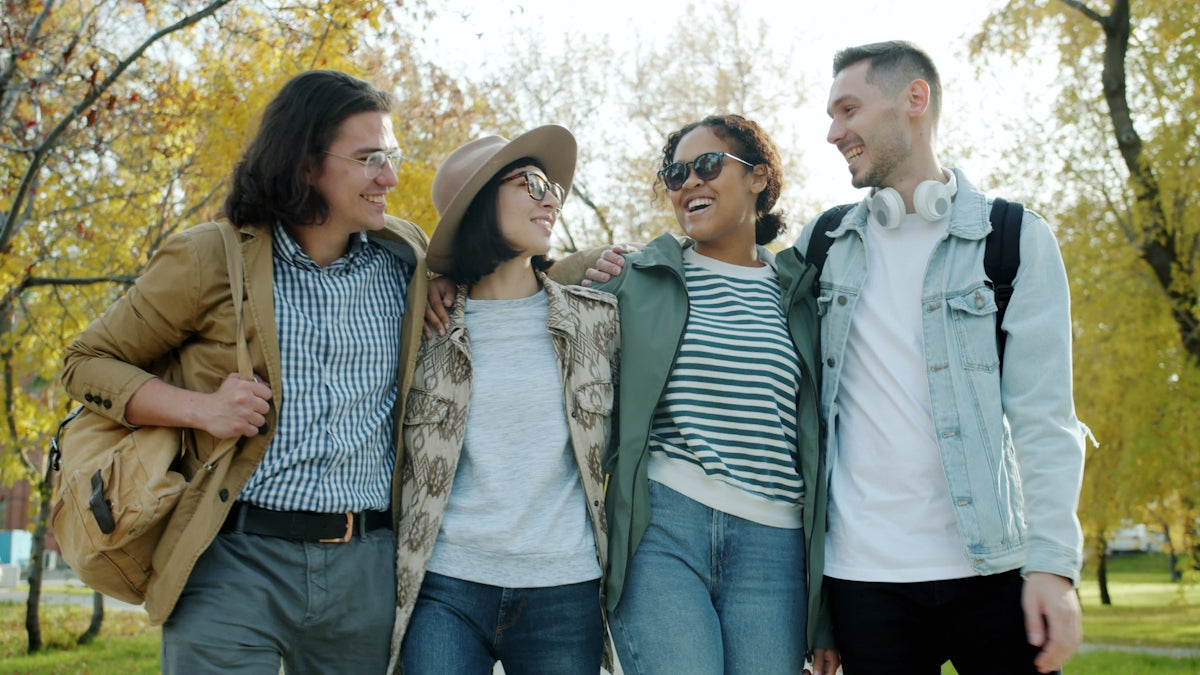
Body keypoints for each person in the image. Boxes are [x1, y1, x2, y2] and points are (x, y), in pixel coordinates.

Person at [60, 70, 429, 673]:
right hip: (233, 561)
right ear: (307, 164)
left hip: (366, 568)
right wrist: (200, 409)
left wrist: (596, 264)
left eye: (391, 156)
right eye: (370, 159)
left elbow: (502, 272)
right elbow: (85, 362)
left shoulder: (405, 258)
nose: (390, 176)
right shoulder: (210, 256)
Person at [797, 41, 1087, 674]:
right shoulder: (822, 245)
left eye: (848, 110)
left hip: (993, 568)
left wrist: (1052, 566)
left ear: (914, 100)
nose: (832, 132)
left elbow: (1045, 419)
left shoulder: (1013, 240)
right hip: (862, 580)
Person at [577, 114, 830, 675]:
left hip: (776, 547)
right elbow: (533, 295)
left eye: (708, 165)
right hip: (666, 528)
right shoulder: (639, 276)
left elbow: (826, 446)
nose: (689, 182)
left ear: (759, 178)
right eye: (675, 174)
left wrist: (825, 613)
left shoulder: (804, 298)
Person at [387, 126, 620, 674]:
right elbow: (369, 234)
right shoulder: (424, 325)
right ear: (476, 204)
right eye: (531, 182)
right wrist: (431, 275)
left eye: (554, 188)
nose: (551, 198)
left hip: (565, 588)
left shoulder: (598, 320)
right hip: (444, 584)